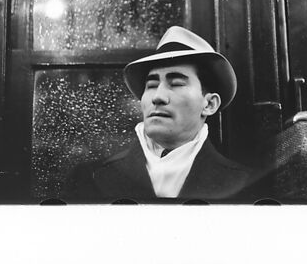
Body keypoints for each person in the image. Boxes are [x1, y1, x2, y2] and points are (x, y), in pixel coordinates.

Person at [63, 26, 251, 203]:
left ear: (209, 104)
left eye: (176, 83)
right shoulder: (89, 177)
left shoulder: (246, 184)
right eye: (151, 85)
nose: (158, 97)